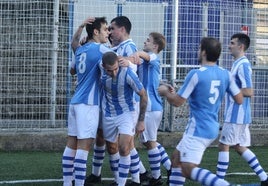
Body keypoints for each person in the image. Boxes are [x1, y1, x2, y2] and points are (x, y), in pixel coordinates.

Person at [158, 37, 243, 186]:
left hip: (198, 129)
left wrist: (165, 92)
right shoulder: (225, 74)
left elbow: (178, 101)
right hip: (212, 127)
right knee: (176, 159)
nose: (198, 52)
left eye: (199, 49)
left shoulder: (196, 74)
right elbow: (239, 99)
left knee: (188, 169)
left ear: (203, 52)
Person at [86, 16, 150, 186]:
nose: (109, 32)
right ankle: (138, 175)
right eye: (107, 29)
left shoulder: (129, 47)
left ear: (122, 29)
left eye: (112, 29)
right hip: (109, 106)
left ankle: (137, 178)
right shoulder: (112, 51)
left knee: (126, 146)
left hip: (129, 105)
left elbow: (135, 66)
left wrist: (127, 61)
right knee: (117, 145)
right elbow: (105, 58)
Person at [61, 17, 111, 186]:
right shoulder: (102, 49)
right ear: (96, 32)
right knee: (84, 147)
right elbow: (115, 60)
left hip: (75, 102)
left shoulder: (80, 50)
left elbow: (72, 70)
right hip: (88, 105)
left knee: (71, 144)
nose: (108, 33)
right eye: (105, 29)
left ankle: (68, 183)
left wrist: (81, 25)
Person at [216, 33, 268, 186]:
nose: (229, 46)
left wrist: (229, 88)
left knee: (223, 145)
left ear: (241, 46)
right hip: (239, 114)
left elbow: (249, 91)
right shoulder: (237, 63)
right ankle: (264, 178)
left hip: (236, 114)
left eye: (232, 43)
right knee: (239, 147)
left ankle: (218, 181)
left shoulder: (243, 64)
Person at [100, 51, 148, 186]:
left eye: (116, 69)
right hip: (109, 114)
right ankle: (126, 180)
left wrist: (141, 120)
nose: (114, 73)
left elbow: (143, 95)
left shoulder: (127, 73)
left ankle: (125, 183)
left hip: (127, 113)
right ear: (103, 67)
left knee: (124, 147)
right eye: (110, 70)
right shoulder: (100, 70)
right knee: (112, 148)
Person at [131, 32, 172, 185]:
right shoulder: (148, 62)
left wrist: (136, 53)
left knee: (150, 143)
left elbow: (146, 56)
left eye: (148, 40)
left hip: (150, 107)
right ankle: (169, 167)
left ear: (155, 46)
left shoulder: (153, 57)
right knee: (149, 142)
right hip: (149, 107)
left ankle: (156, 177)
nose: (145, 41)